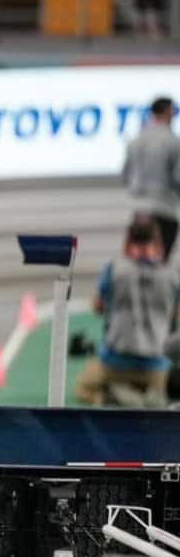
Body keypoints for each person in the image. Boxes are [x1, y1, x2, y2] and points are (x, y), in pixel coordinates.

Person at [76, 216, 180, 407]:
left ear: (128, 242)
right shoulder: (173, 276)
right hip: (156, 364)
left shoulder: (114, 269)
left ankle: (116, 396)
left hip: (116, 361)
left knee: (84, 386)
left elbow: (98, 307)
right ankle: (151, 395)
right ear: (158, 243)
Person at [123, 96, 180, 261]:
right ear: (167, 112)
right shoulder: (173, 141)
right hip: (165, 209)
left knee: (137, 262)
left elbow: (126, 175)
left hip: (139, 211)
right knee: (161, 264)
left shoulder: (135, 140)